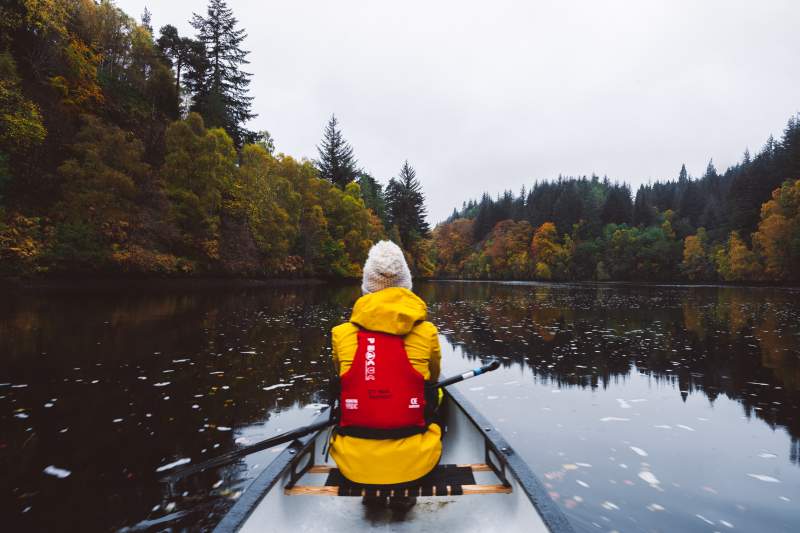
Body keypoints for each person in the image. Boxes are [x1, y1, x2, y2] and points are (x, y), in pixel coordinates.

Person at [329, 240, 442, 511]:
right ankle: (404, 490)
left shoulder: (341, 334)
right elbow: (434, 379)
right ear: (406, 285)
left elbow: (343, 378)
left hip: (352, 463)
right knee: (437, 392)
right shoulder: (427, 333)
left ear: (366, 288)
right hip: (417, 462)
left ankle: (370, 491)